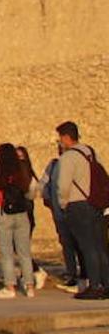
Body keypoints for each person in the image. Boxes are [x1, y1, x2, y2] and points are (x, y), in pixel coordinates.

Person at [55, 121, 109, 300]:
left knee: (87, 248)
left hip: (78, 204)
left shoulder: (68, 157)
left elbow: (63, 185)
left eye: (60, 139)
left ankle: (94, 286)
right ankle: (106, 284)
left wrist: (63, 203)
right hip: (95, 203)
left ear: (66, 137)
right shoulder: (90, 152)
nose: (60, 142)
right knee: (100, 246)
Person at [0, 143, 38, 299]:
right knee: (25, 252)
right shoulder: (21, 172)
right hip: (22, 214)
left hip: (2, 213)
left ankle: (10, 286)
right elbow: (30, 192)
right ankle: (29, 287)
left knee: (6, 253)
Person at [40, 145, 82, 292]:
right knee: (69, 244)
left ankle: (82, 276)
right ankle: (73, 274)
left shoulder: (74, 165)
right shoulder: (53, 165)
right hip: (64, 213)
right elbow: (43, 187)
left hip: (72, 211)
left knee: (79, 244)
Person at [16, 146, 48, 290]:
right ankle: (26, 274)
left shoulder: (28, 176)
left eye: (21, 157)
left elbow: (32, 194)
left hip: (25, 214)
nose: (19, 160)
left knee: (21, 248)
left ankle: (36, 271)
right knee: (20, 247)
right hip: (21, 213)